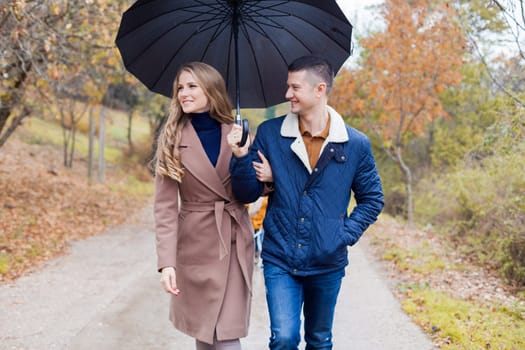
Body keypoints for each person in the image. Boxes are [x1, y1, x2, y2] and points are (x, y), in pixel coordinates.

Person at [227, 55, 384, 349]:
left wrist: (342, 235)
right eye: (288, 86)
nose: (287, 94)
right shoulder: (271, 134)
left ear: (319, 89)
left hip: (327, 262)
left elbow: (373, 199)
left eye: (295, 87)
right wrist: (240, 157)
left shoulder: (355, 144)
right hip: (280, 257)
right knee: (284, 338)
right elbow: (247, 193)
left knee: (319, 340)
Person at [153, 62, 254, 350]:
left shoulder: (238, 133)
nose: (184, 93)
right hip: (195, 244)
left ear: (211, 90)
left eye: (192, 86)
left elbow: (250, 193)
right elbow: (165, 208)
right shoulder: (172, 139)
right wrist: (166, 263)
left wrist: (242, 154)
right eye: (180, 87)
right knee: (205, 332)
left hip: (234, 241)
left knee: (225, 336)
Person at [247, 196, 268, 266]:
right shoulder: (263, 200)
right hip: (253, 224)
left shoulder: (264, 200)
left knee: (259, 243)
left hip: (259, 225)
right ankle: (256, 258)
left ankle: (260, 259)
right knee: (255, 243)